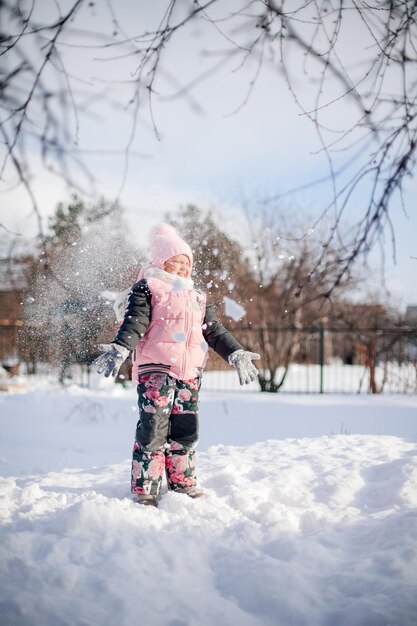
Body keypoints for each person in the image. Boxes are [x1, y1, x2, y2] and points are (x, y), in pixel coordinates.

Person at [93, 223, 260, 507]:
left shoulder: (197, 296)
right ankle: (145, 487)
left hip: (189, 373)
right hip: (156, 369)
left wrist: (236, 353)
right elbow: (136, 322)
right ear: (161, 262)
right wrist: (121, 348)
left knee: (186, 428)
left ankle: (182, 483)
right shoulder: (148, 287)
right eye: (176, 262)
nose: (183, 269)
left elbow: (214, 330)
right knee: (153, 427)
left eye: (186, 263)